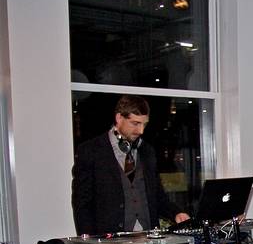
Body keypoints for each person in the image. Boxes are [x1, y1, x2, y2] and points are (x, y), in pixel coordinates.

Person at [72, 95, 190, 235]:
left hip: (149, 237)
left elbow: (158, 196)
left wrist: (176, 213)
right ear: (119, 118)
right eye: (135, 123)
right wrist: (90, 243)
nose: (141, 131)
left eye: (144, 124)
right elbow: (82, 203)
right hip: (110, 240)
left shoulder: (147, 151)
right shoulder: (91, 151)